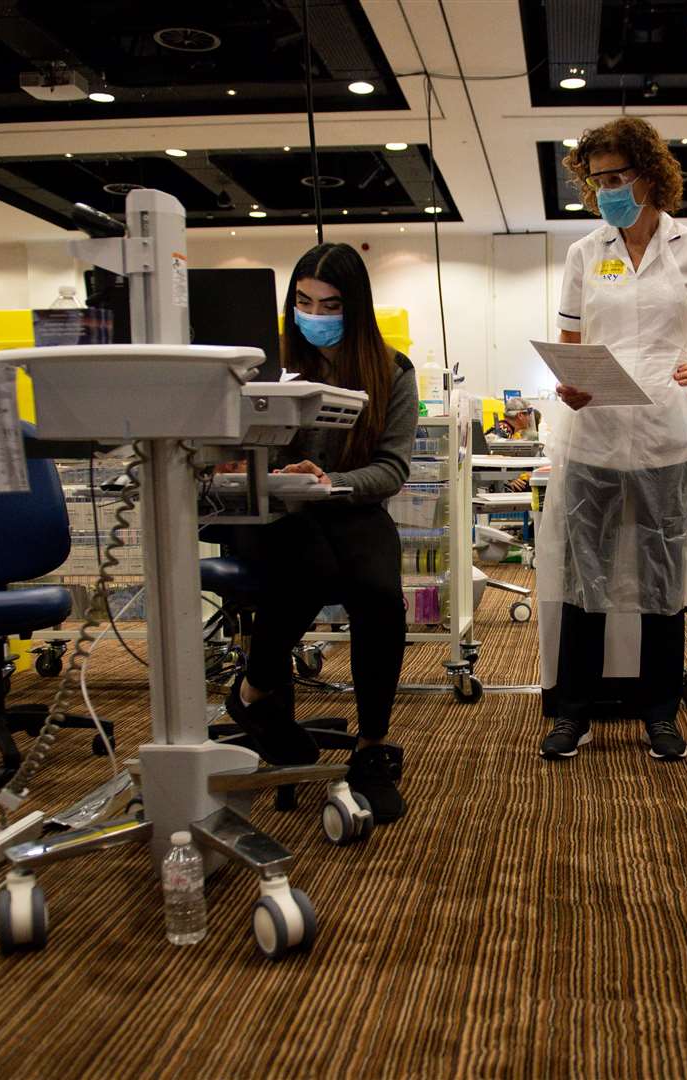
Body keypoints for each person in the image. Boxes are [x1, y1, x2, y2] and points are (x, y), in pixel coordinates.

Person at [538, 116, 687, 762]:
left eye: (619, 176)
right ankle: (573, 713)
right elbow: (569, 346)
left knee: (662, 579)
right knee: (585, 578)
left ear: (649, 174)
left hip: (670, 435)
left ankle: (661, 713)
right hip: (593, 437)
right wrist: (571, 384)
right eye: (599, 180)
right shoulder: (585, 254)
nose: (609, 189)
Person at [221, 243, 417, 823]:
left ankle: (371, 746)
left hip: (349, 505)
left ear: (355, 307)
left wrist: (329, 480)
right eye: (304, 302)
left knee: (381, 594)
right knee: (311, 569)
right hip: (272, 512)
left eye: (330, 304)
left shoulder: (391, 371)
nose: (316, 314)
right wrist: (252, 466)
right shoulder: (262, 365)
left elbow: (393, 468)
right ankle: (257, 692)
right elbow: (232, 450)